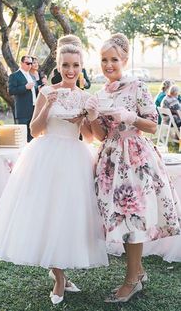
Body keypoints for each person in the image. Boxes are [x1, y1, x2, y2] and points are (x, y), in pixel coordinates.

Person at [0, 35, 108, 305]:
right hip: (46, 155)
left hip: (74, 159)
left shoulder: (86, 98)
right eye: (65, 66)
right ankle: (59, 276)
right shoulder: (46, 91)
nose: (70, 71)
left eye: (75, 65)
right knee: (46, 213)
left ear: (81, 66)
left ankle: (59, 268)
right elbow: (35, 131)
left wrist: (87, 117)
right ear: (58, 66)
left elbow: (89, 137)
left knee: (66, 215)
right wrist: (48, 104)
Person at [85, 33, 181, 303]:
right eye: (104, 60)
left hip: (135, 158)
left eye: (114, 59)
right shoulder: (101, 92)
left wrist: (130, 117)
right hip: (110, 159)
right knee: (120, 217)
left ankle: (131, 281)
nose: (108, 65)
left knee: (132, 216)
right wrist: (93, 117)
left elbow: (152, 125)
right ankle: (137, 272)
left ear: (124, 59)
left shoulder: (137, 86)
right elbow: (100, 135)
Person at [8, 55, 36, 142]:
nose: (30, 65)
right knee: (23, 136)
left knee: (32, 135)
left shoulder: (32, 76)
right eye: (27, 63)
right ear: (21, 63)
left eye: (31, 63)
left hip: (34, 108)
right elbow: (11, 91)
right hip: (23, 110)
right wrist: (25, 87)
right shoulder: (14, 76)